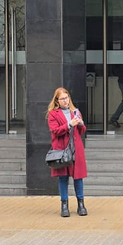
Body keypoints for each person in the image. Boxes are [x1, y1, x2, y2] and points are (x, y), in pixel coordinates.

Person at [47, 88, 88, 218]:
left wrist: (81, 124)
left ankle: (81, 204)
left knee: (78, 177)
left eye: (67, 97)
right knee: (63, 177)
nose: (66, 100)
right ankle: (64, 204)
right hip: (62, 150)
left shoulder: (75, 111)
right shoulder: (53, 114)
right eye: (62, 98)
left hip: (76, 148)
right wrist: (69, 125)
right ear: (57, 101)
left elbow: (81, 131)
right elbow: (55, 131)